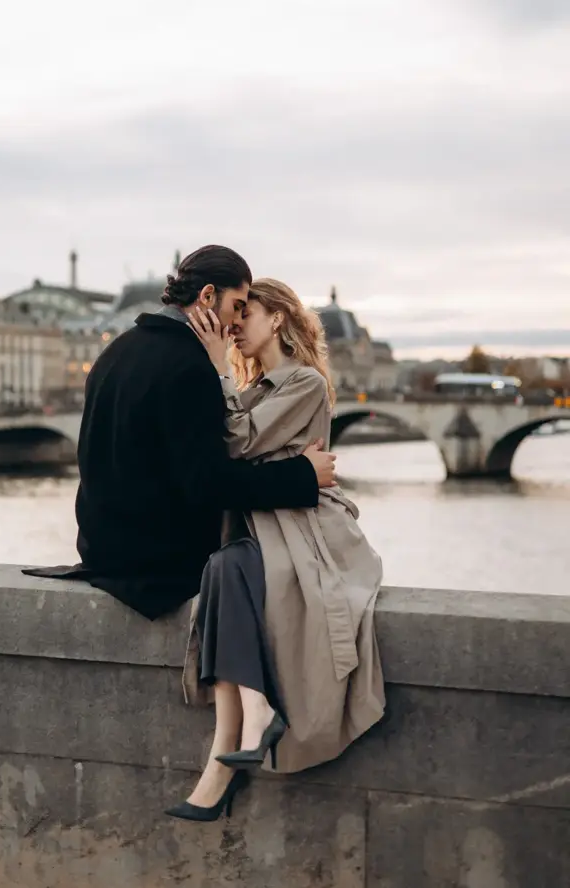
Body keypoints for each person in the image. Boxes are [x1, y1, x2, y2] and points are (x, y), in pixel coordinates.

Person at [166, 278, 384, 823]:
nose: (234, 327)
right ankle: (248, 723)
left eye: (245, 315)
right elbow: (229, 445)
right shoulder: (257, 389)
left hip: (301, 532)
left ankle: (223, 759)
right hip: (263, 528)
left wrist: (217, 368)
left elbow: (236, 442)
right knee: (222, 566)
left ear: (279, 321)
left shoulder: (305, 382)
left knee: (226, 566)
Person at [23, 246, 338, 620]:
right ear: (207, 296)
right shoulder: (190, 365)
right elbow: (208, 485)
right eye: (237, 305)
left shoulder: (115, 352)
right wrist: (302, 475)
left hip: (100, 554)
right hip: (159, 569)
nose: (236, 322)